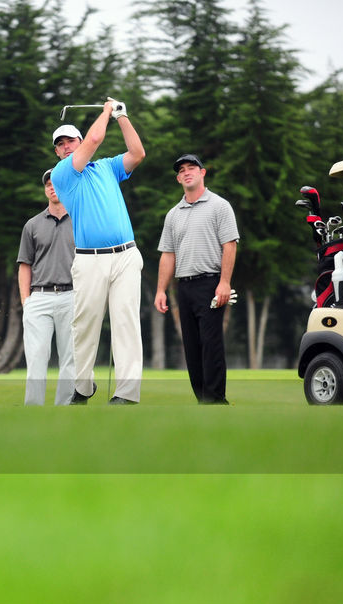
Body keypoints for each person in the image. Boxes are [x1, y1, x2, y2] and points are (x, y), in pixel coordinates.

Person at [50, 98, 146, 404]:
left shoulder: (106, 167)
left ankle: (127, 394)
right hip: (90, 260)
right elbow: (95, 138)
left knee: (126, 323)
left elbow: (138, 153)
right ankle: (83, 387)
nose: (66, 147)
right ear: (57, 151)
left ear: (77, 140)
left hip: (126, 256)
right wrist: (105, 111)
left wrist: (122, 116)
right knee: (85, 326)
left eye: (70, 141)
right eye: (60, 144)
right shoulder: (62, 174)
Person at [153, 154, 239, 404]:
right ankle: (202, 398)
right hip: (184, 286)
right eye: (182, 170)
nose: (187, 172)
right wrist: (160, 290)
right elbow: (168, 255)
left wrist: (224, 283)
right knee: (191, 347)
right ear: (178, 178)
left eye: (192, 168)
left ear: (202, 173)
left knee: (210, 344)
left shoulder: (219, 206)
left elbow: (229, 246)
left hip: (210, 284)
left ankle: (215, 399)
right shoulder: (173, 214)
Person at [17, 168, 77, 405]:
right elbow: (25, 265)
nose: (52, 187)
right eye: (48, 184)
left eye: (57, 183)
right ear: (45, 190)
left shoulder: (80, 219)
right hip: (39, 297)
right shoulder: (32, 225)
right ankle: (33, 410)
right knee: (36, 358)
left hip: (72, 295)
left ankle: (65, 409)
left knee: (71, 360)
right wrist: (26, 301)